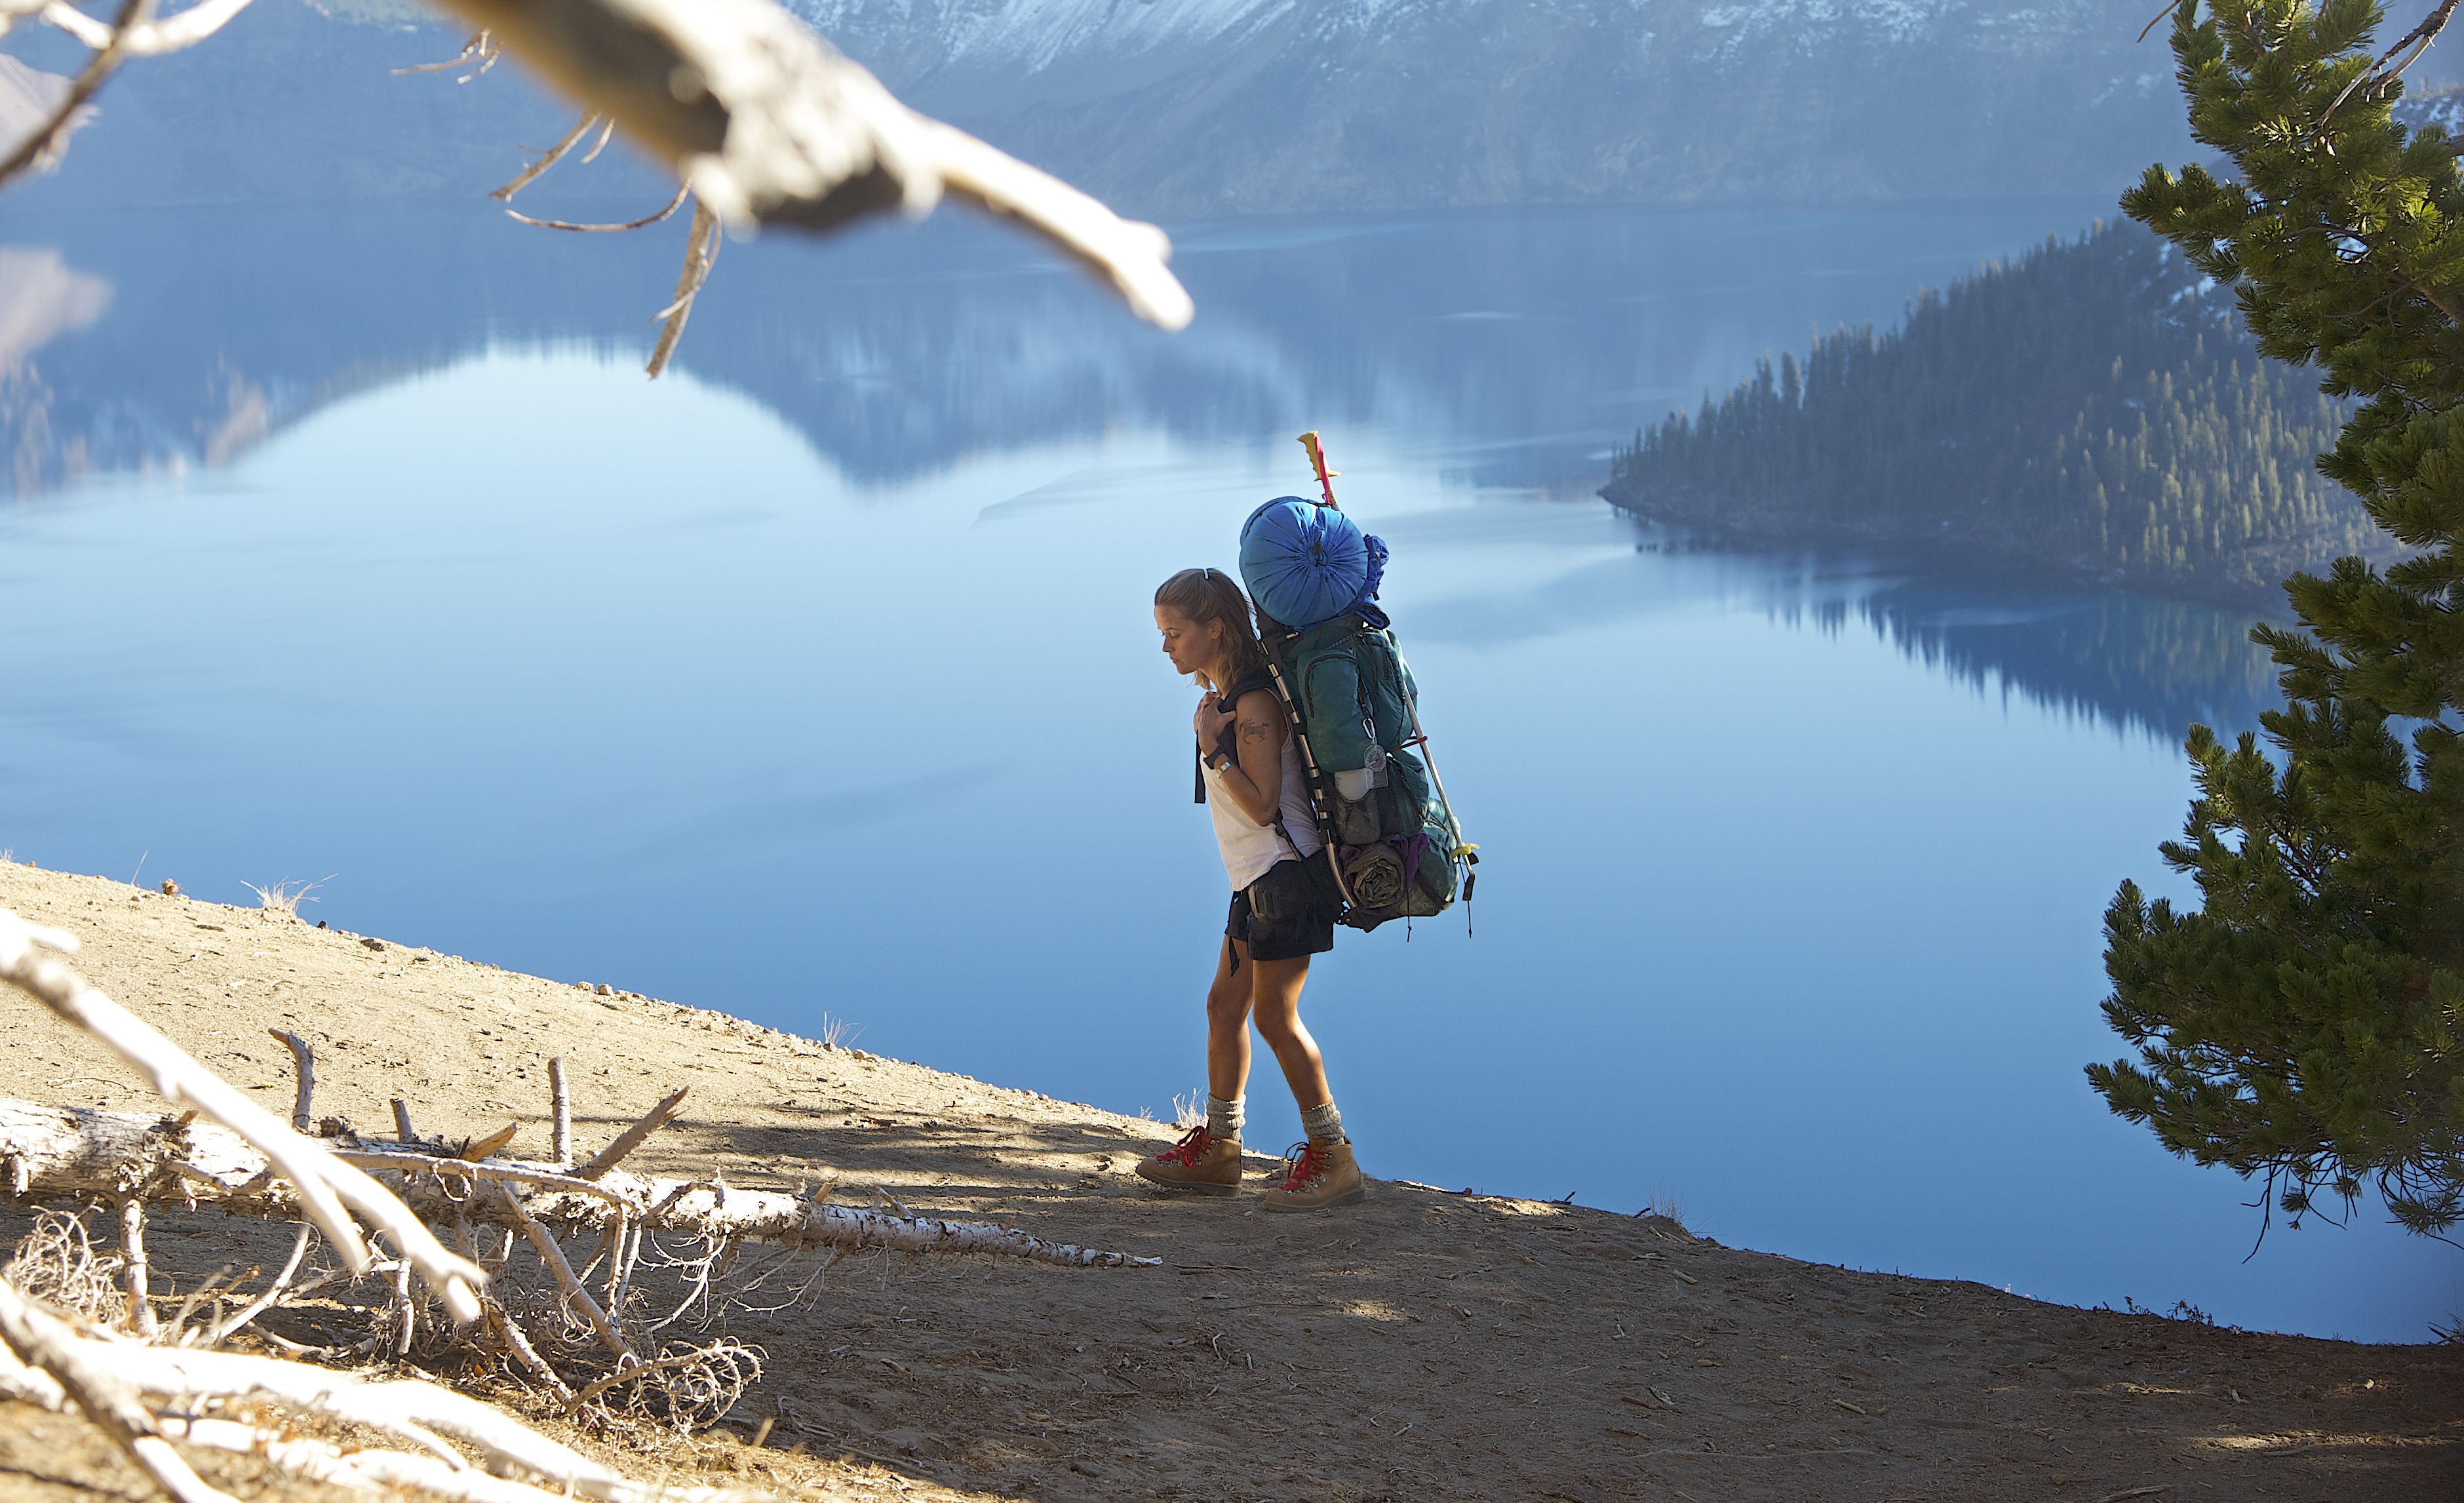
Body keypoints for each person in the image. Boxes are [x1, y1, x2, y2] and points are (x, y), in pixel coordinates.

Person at [1138, 566, 1363, 1211]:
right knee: (1222, 1007)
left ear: (1215, 628)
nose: (1166, 646)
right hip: (1256, 883)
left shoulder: (1255, 703)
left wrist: (1214, 750)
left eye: (1175, 632)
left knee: (1272, 1016)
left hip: (1287, 880)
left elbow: (1264, 807)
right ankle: (1221, 1150)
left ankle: (1334, 1156)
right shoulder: (1228, 695)